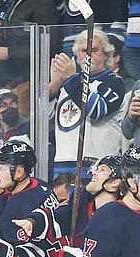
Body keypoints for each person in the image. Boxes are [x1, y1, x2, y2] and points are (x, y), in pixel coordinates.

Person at [52, 27, 126, 171]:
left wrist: (71, 79)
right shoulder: (69, 82)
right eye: (84, 51)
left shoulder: (113, 82)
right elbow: (43, 120)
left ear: (106, 54)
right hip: (62, 162)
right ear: (77, 55)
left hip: (97, 166)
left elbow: (96, 111)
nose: (88, 55)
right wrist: (53, 86)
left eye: (94, 50)